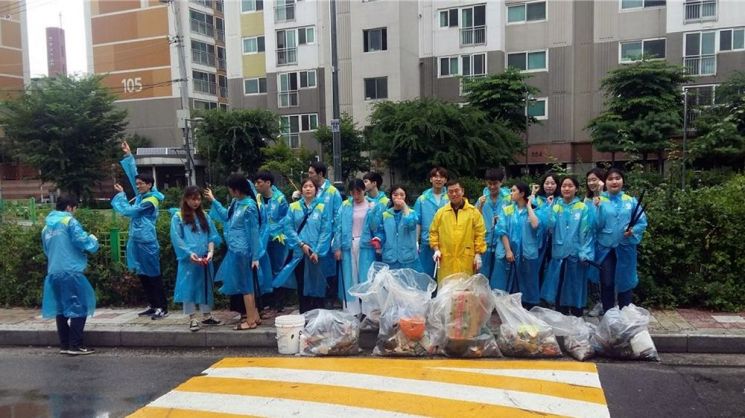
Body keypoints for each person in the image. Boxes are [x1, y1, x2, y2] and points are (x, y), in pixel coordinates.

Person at [111, 141, 167, 320]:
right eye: (138, 184)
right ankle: (152, 304)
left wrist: (120, 196)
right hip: (136, 240)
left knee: (154, 275)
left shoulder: (151, 200)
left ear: (150, 185)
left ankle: (162, 307)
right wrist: (128, 156)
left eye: (142, 184)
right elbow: (134, 175)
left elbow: (130, 211)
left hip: (147, 242)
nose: (139, 186)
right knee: (143, 274)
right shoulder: (143, 195)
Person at [41, 195, 99, 355]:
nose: (75, 211)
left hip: (53, 271)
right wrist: (93, 241)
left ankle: (65, 344)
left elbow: (46, 250)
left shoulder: (46, 227)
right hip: (71, 270)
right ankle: (76, 345)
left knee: (61, 309)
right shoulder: (69, 221)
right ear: (69, 207)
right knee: (79, 306)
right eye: (75, 208)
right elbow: (81, 240)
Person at [205, 174, 262, 331]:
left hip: (243, 251)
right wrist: (214, 200)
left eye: (230, 189)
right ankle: (254, 316)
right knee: (245, 285)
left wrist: (255, 256)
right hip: (235, 250)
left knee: (246, 286)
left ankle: (250, 321)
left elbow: (254, 232)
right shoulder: (236, 203)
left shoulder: (249, 206)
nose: (230, 192)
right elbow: (225, 216)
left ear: (237, 190)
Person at [274, 178, 332, 313]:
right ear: (301, 190)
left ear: (316, 190)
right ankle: (304, 315)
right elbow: (288, 228)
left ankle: (318, 316)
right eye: (305, 186)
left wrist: (317, 251)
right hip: (299, 254)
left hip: (316, 254)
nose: (308, 189)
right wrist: (301, 244)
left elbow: (326, 231)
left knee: (318, 285)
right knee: (302, 284)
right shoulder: (293, 207)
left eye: (311, 186)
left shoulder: (322, 207)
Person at [594, 168, 648, 313]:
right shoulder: (600, 200)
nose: (614, 181)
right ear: (605, 182)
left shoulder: (630, 201)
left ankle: (625, 315)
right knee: (607, 282)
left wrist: (633, 231)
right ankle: (608, 316)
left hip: (626, 247)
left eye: (617, 178)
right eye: (610, 179)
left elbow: (642, 222)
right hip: (606, 248)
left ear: (622, 181)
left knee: (626, 282)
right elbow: (595, 225)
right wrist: (597, 208)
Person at [170, 186, 223, 332]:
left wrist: (211, 251)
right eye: (193, 199)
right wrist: (188, 253)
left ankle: (207, 315)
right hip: (189, 260)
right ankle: (192, 317)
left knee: (205, 285)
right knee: (189, 287)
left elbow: (211, 235)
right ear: (186, 199)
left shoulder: (204, 216)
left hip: (204, 257)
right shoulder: (178, 217)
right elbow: (177, 238)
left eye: (198, 199)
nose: (196, 202)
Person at [541, 176, 594, 316]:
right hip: (559, 254)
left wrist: (585, 252)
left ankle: (577, 317)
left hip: (577, 255)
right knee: (559, 286)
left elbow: (586, 232)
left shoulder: (582, 207)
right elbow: (549, 226)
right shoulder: (556, 206)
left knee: (576, 287)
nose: (566, 188)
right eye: (564, 186)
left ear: (576, 189)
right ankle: (561, 318)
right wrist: (550, 208)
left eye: (570, 186)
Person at [492, 182, 543, 309]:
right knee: (507, 279)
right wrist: (508, 250)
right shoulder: (507, 210)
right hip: (510, 250)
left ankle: (528, 306)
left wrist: (529, 206)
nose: (511, 193)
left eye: (513, 190)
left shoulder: (535, 209)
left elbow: (535, 225)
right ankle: (506, 306)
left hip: (527, 251)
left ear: (522, 194)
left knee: (528, 279)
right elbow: (502, 230)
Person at [333, 179, 380, 314]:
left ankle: (369, 311)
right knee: (349, 276)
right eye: (353, 193)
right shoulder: (345, 206)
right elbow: (338, 227)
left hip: (366, 244)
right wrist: (337, 247)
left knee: (366, 276)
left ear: (364, 191)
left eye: (358, 192)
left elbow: (375, 227)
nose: (356, 196)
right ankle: (351, 310)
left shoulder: (372, 205)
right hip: (347, 243)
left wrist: (372, 212)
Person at [429, 179, 486, 282]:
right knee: (447, 292)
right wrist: (436, 249)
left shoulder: (473, 212)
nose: (454, 194)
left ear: (462, 191)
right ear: (447, 193)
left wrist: (478, 254)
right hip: (446, 260)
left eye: (456, 190)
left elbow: (480, 234)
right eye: (450, 191)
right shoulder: (441, 213)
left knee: (465, 293)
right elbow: (433, 232)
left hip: (466, 260)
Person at [254, 172, 289, 316]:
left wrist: (273, 230)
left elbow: (286, 219)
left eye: (259, 182)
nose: (257, 185)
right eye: (256, 183)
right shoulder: (257, 198)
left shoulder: (280, 199)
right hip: (262, 239)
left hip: (277, 239)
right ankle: (265, 303)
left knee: (277, 269)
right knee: (263, 269)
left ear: (268, 183)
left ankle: (278, 303)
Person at [307, 161, 342, 306]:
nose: (309, 176)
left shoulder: (332, 192)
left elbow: (338, 216)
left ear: (320, 174)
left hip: (329, 236)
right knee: (316, 267)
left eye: (311, 173)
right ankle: (317, 298)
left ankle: (330, 298)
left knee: (329, 268)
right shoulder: (311, 190)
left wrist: (335, 238)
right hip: (314, 236)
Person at [475, 168, 511, 279]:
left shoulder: (508, 198)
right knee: (483, 272)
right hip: (486, 240)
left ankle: (499, 294)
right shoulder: (482, 200)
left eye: (495, 183)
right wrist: (480, 206)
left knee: (500, 272)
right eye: (489, 183)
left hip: (502, 240)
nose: (492, 187)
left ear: (501, 182)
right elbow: (475, 219)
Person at [375, 185, 422, 271]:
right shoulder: (385, 214)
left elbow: (411, 225)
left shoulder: (412, 213)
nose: (398, 197)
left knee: (408, 283)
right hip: (390, 257)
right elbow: (381, 232)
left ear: (405, 196)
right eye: (395, 194)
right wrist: (378, 239)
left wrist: (404, 207)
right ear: (391, 196)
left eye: (401, 195)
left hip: (408, 257)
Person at [414, 167, 449, 277]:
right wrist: (416, 241)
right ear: (430, 179)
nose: (438, 179)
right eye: (435, 176)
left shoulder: (450, 197)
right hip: (427, 241)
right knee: (426, 274)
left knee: (445, 275)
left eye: (442, 177)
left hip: (447, 241)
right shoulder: (422, 199)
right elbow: (417, 221)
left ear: (446, 180)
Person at [584, 167, 606, 315]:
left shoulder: (608, 197)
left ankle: (609, 303)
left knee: (607, 272)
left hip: (605, 241)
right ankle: (597, 302)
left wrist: (601, 193)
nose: (592, 183)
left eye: (595, 179)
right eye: (589, 180)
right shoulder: (586, 200)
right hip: (590, 241)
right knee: (592, 273)